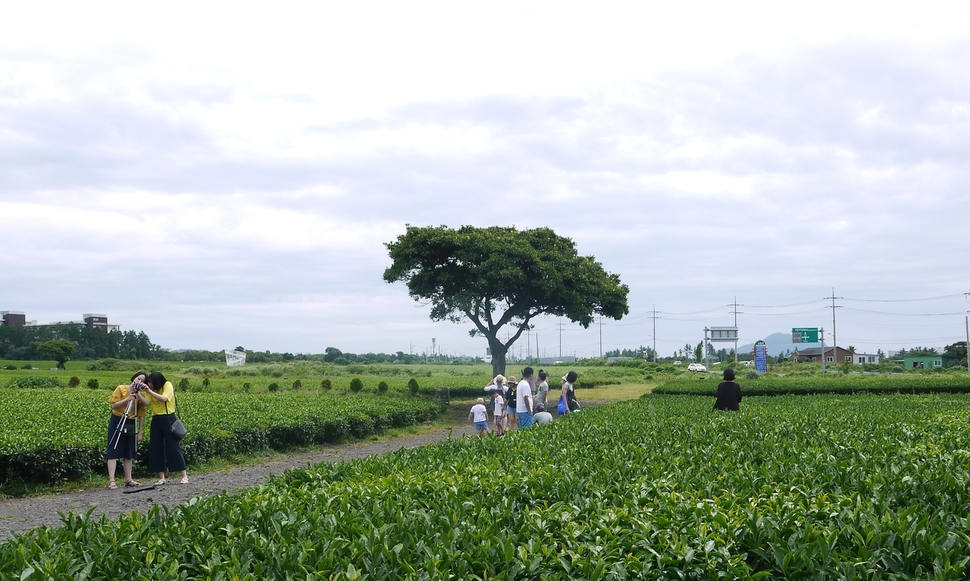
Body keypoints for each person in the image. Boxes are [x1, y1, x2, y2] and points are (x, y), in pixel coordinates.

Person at [143, 371, 189, 485]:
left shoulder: (167, 385)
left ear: (157, 382)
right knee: (156, 447)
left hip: (168, 418)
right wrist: (138, 392)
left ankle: (184, 475)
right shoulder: (150, 389)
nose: (150, 385)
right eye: (148, 383)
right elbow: (146, 402)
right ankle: (161, 477)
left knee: (173, 446)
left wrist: (149, 391)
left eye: (151, 383)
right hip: (156, 420)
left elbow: (163, 398)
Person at [106, 371, 150, 489]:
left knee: (129, 452)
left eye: (142, 380)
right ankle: (112, 481)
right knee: (113, 449)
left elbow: (143, 410)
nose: (138, 381)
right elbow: (114, 405)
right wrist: (128, 399)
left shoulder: (140, 396)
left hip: (131, 421)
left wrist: (140, 432)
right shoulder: (121, 389)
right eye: (138, 378)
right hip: (118, 420)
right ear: (133, 378)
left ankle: (128, 479)